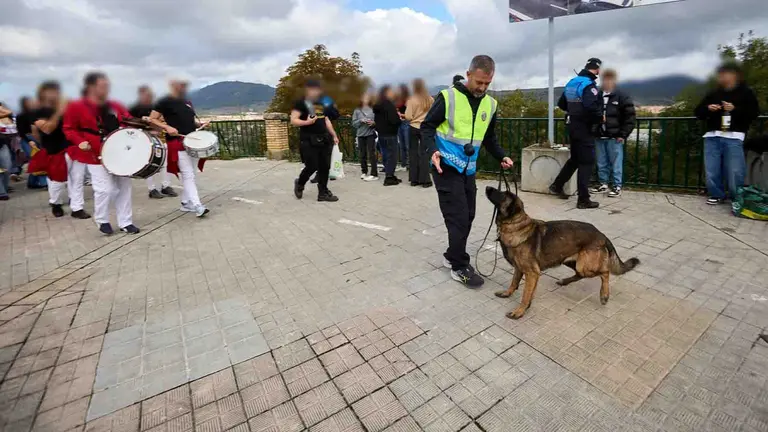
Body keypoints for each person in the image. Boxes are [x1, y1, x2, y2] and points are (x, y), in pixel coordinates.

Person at [422, 55, 514, 288]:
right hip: (445, 167)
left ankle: (451, 254)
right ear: (469, 74)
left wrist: (501, 155)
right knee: (459, 217)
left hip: (468, 169)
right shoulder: (447, 97)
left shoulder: (490, 104)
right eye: (479, 82)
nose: (482, 88)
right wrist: (432, 150)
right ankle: (459, 265)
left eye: (487, 84)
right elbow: (427, 127)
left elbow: (489, 137)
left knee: (469, 215)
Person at [63, 72, 139, 234]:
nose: (106, 89)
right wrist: (79, 141)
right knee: (105, 189)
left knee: (125, 187)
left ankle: (125, 221)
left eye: (107, 86)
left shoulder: (115, 105)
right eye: (102, 86)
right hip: (95, 154)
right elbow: (68, 128)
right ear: (90, 87)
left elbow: (128, 120)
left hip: (119, 153)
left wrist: (143, 125)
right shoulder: (76, 106)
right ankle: (102, 219)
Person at [694, 62, 760, 205]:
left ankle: (736, 196)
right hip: (712, 135)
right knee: (712, 168)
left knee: (735, 169)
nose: (722, 77)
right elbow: (698, 112)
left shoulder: (746, 92)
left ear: (735, 76)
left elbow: (753, 113)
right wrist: (708, 108)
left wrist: (734, 109)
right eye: (720, 75)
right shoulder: (713, 93)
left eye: (725, 74)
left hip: (734, 136)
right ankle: (716, 194)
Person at [146, 79, 211, 216]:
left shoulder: (187, 102)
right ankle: (197, 205)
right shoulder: (164, 101)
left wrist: (200, 124)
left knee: (192, 174)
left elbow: (189, 121)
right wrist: (167, 127)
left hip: (192, 141)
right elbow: (152, 118)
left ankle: (185, 203)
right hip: (177, 141)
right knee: (187, 175)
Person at [550, 58, 604, 209]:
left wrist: (573, 111)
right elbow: (591, 106)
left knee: (575, 159)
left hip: (572, 126)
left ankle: (557, 185)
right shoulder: (588, 85)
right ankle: (583, 199)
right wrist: (600, 118)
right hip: (585, 128)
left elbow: (561, 103)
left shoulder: (572, 82)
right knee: (586, 162)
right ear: (597, 69)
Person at [291, 79, 340, 202]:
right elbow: (294, 120)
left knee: (325, 167)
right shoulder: (301, 102)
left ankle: (323, 193)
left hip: (324, 138)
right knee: (312, 166)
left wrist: (333, 135)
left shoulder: (323, 102)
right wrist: (307, 122)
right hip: (308, 139)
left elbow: (327, 120)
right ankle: (300, 183)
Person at [29, 82, 72, 217]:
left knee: (74, 178)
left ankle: (75, 203)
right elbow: (46, 129)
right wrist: (59, 112)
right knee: (56, 180)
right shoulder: (37, 112)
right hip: (53, 149)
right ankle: (56, 203)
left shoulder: (67, 108)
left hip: (71, 147)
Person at [591, 69, 635, 198]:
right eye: (605, 80)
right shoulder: (597, 95)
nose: (607, 82)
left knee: (616, 162)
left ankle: (617, 186)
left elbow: (630, 117)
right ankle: (603, 183)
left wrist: (623, 134)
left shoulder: (622, 96)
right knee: (601, 162)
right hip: (599, 135)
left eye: (610, 80)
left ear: (614, 81)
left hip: (615, 136)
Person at [130, 85, 178, 200]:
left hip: (160, 138)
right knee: (149, 164)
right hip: (145, 139)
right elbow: (128, 120)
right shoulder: (134, 107)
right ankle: (152, 189)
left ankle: (166, 185)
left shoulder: (157, 106)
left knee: (164, 164)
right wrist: (142, 120)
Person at [405, 78, 434, 187]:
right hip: (425, 128)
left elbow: (408, 116)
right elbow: (433, 114)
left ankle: (414, 179)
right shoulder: (429, 99)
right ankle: (425, 180)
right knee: (425, 154)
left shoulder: (412, 100)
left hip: (413, 127)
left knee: (413, 153)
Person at [16, 97, 47, 189]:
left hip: (38, 138)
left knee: (37, 160)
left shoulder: (37, 114)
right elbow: (21, 131)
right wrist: (29, 141)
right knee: (37, 159)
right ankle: (44, 182)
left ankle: (32, 182)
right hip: (28, 138)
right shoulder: (21, 115)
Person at [374, 85, 402, 186]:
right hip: (390, 134)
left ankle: (389, 173)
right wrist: (399, 120)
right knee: (392, 155)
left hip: (381, 134)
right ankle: (389, 177)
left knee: (385, 153)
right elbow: (393, 120)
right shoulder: (389, 105)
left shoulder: (377, 105)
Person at [352, 92, 378, 181]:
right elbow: (354, 124)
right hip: (360, 135)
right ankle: (364, 172)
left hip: (370, 134)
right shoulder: (357, 110)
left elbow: (378, 121)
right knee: (362, 154)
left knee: (372, 154)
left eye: (367, 98)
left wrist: (373, 123)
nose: (365, 99)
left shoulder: (373, 109)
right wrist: (360, 121)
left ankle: (374, 173)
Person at [0, 103, 13, 200]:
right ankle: (2, 192)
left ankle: (4, 188)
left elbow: (9, 111)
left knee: (7, 167)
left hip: (1, 143)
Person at [396, 84, 410, 170]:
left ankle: (409, 164)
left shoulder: (407, 100)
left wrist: (401, 114)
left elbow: (410, 114)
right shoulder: (398, 100)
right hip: (399, 123)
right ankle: (403, 164)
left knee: (407, 145)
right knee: (401, 145)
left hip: (406, 122)